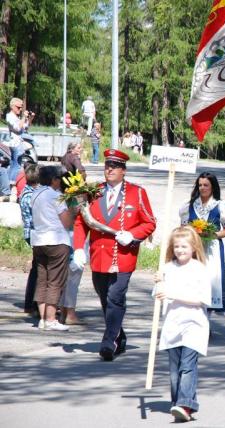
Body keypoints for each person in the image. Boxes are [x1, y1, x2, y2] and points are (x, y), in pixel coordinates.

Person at [73, 149, 156, 361]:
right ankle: (120, 336)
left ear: (123, 171)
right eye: (107, 165)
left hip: (123, 256)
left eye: (115, 166)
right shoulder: (93, 191)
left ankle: (108, 342)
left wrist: (133, 234)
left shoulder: (137, 193)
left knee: (115, 297)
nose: (109, 169)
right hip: (99, 256)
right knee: (105, 299)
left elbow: (149, 222)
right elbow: (82, 221)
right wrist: (77, 248)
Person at [153, 226, 211, 422]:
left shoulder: (200, 269)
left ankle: (185, 405)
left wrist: (172, 293)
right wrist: (159, 282)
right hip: (172, 325)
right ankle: (179, 402)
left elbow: (200, 299)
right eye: (176, 246)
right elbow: (159, 295)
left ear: (194, 247)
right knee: (174, 371)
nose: (180, 250)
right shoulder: (167, 268)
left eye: (184, 246)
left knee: (187, 366)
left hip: (194, 324)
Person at [30, 165, 75, 331]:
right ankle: (50, 319)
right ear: (54, 180)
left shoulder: (35, 194)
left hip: (39, 240)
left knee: (42, 280)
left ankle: (42, 318)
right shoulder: (56, 196)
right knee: (55, 281)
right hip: (56, 240)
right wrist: (73, 209)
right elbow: (67, 222)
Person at [179, 172, 225, 311]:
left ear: (213, 187)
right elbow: (182, 229)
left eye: (206, 185)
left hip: (212, 248)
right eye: (200, 185)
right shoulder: (188, 206)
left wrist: (211, 234)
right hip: (192, 248)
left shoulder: (221, 205)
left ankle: (206, 325)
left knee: (210, 281)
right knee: (192, 282)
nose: (202, 188)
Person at [19, 163, 39, 316]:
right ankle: (31, 303)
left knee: (37, 269)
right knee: (38, 270)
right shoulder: (30, 195)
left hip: (32, 233)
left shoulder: (29, 192)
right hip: (34, 233)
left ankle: (32, 303)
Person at [5, 97, 35, 183]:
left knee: (15, 165)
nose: (20, 109)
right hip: (15, 144)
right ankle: (11, 183)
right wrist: (23, 117)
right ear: (12, 106)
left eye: (21, 107)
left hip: (19, 144)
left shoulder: (16, 117)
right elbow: (18, 128)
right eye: (18, 107)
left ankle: (10, 183)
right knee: (16, 166)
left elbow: (25, 127)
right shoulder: (9, 116)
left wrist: (30, 118)